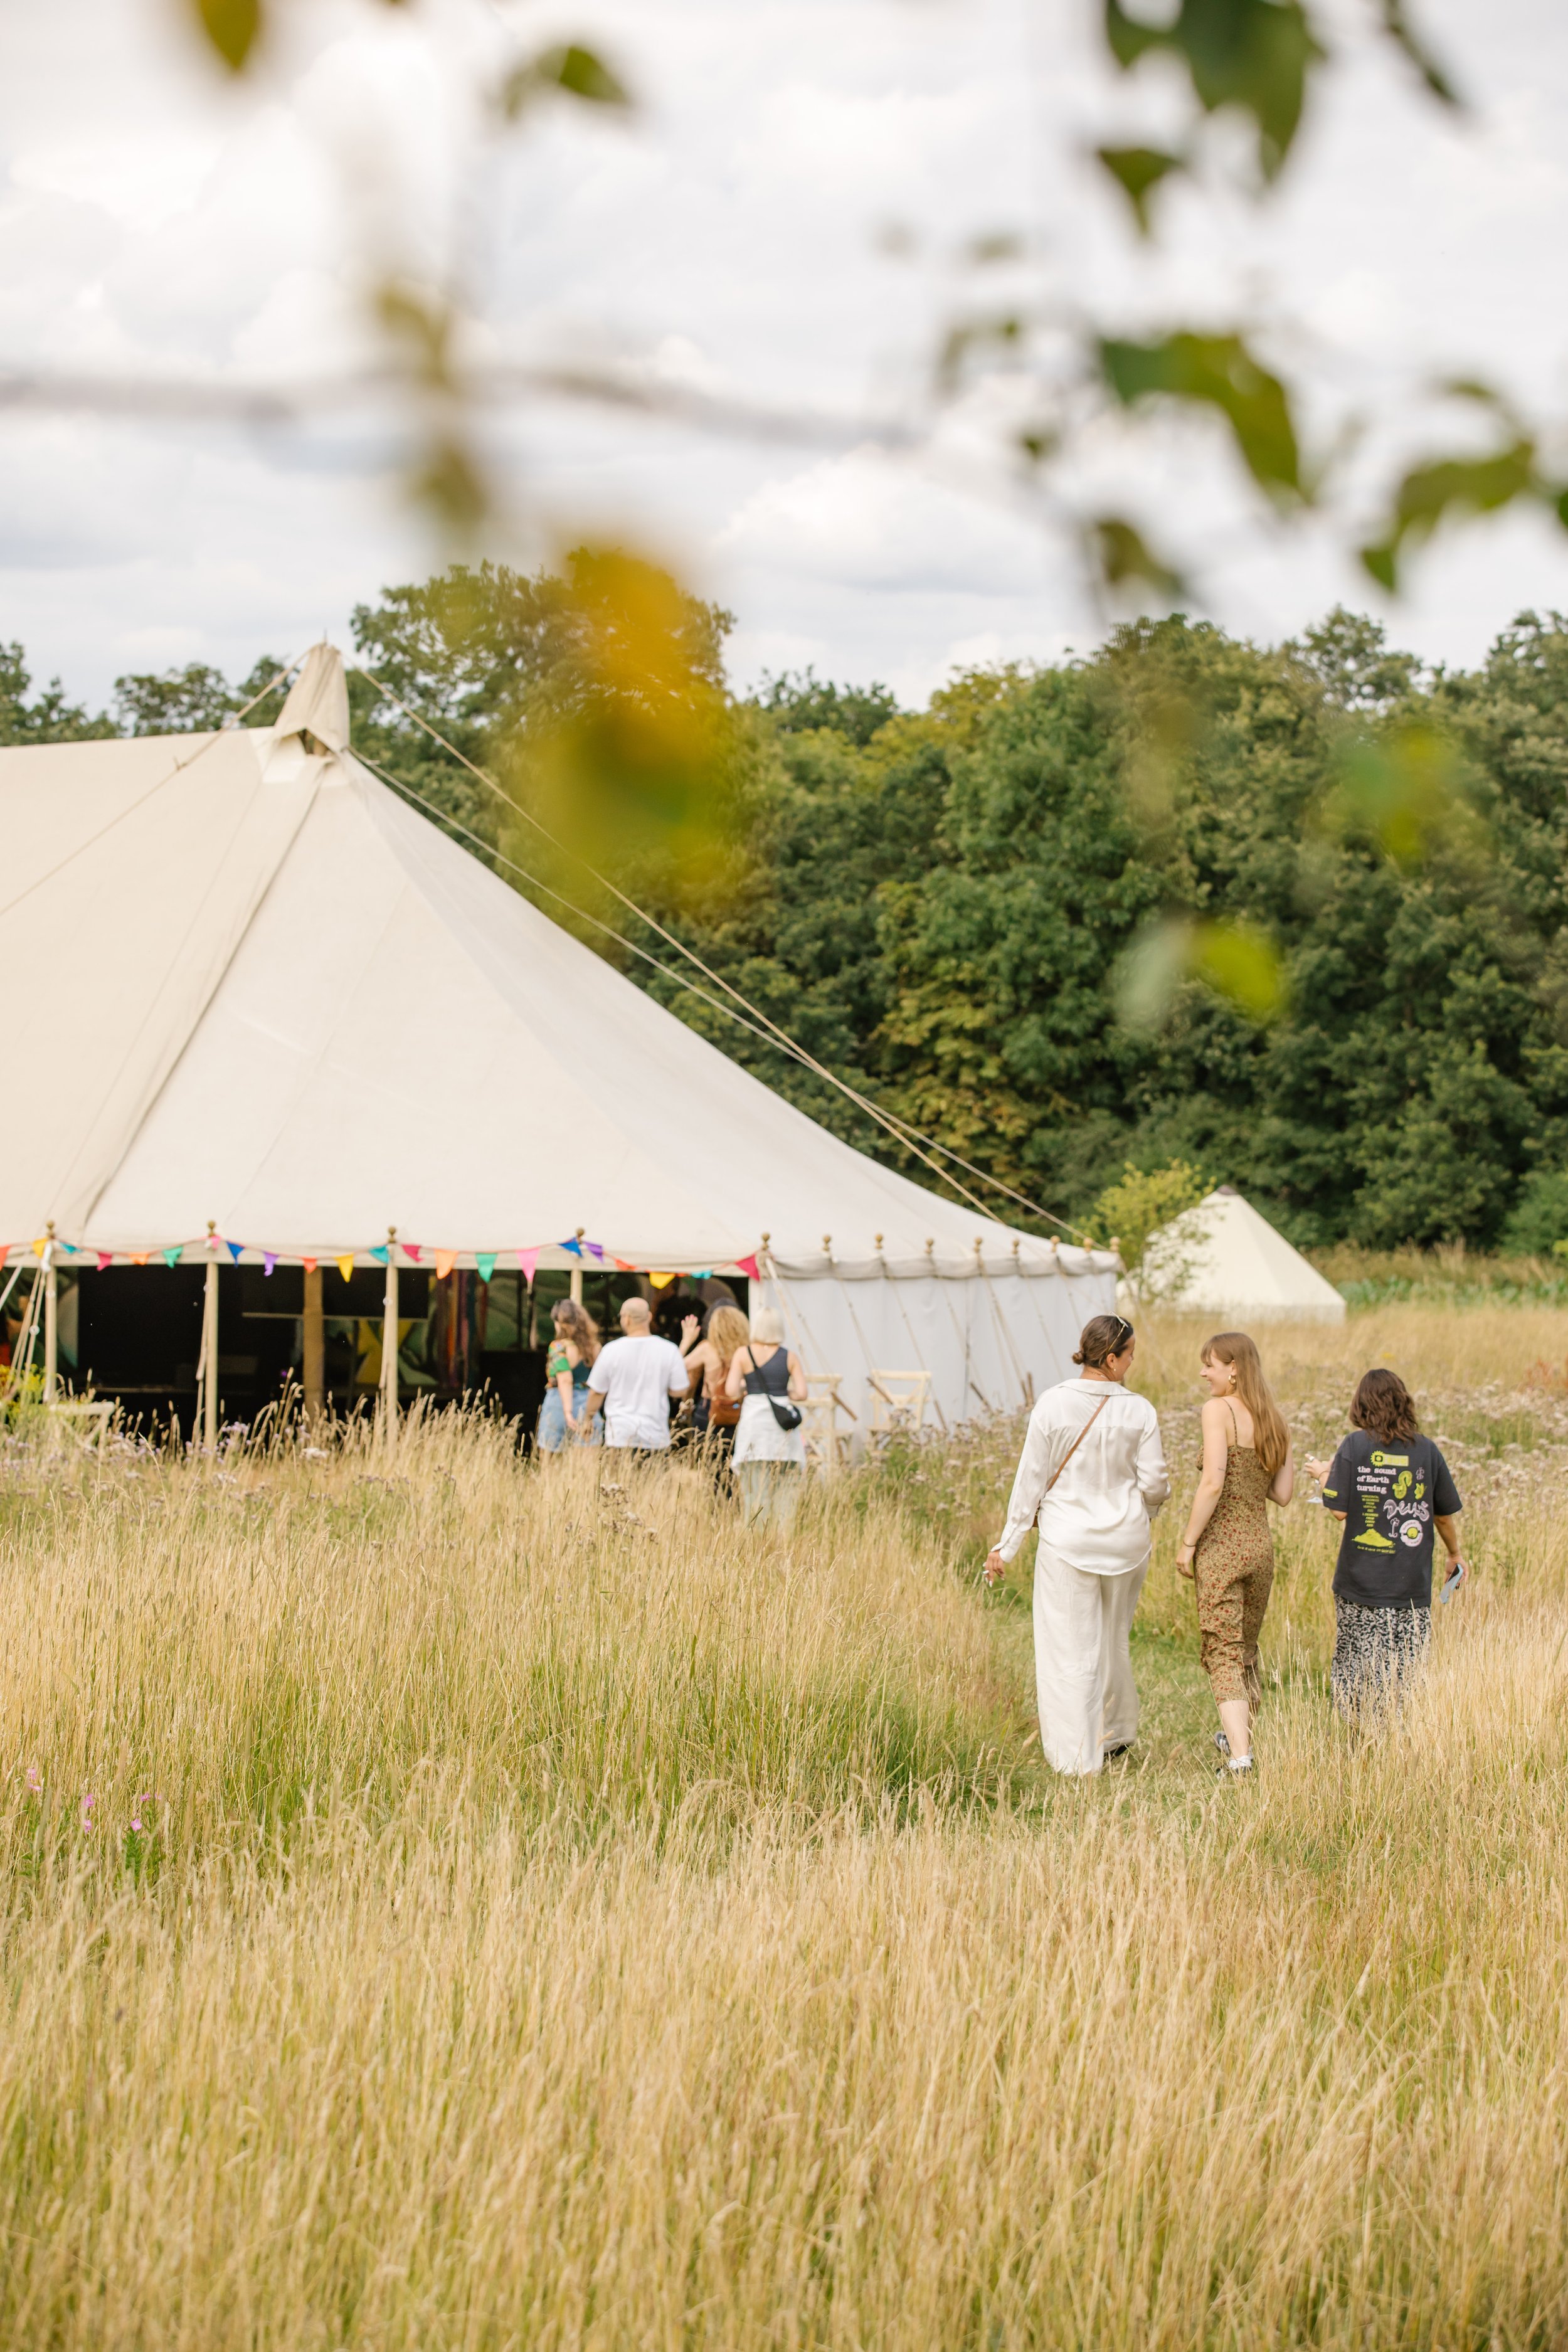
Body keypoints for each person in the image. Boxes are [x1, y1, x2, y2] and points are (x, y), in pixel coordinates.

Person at [983, 1313, 1170, 1776]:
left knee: (1069, 1649)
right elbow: (1157, 1483)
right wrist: (1140, 1516)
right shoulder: (1139, 1410)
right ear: (1110, 1358)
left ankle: (1077, 1758)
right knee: (1114, 1640)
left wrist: (1006, 1547)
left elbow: (1030, 1481)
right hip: (1127, 1544)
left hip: (1068, 1542)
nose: (1132, 1363)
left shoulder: (1052, 1404)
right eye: (1129, 1356)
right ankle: (1118, 1732)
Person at [1305, 1369, 1464, 1719]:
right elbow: (1442, 1517)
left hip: (1358, 1584)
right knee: (1405, 1670)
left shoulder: (1354, 1445)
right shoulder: (1427, 1451)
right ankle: (1396, 1738)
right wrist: (1454, 1554)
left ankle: (1357, 1737)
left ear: (1361, 1405)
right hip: (1411, 1586)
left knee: (1353, 1662)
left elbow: (1337, 1510)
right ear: (1402, 1402)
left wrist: (1321, 1475)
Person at [1174, 1332, 1294, 1778]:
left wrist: (1188, 1543)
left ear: (1235, 1368)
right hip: (1260, 1548)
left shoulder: (1218, 1410)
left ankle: (1241, 1758)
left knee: (1222, 1650)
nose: (1204, 1373)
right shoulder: (1274, 1419)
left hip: (1223, 1547)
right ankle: (1238, 1734)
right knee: (1245, 1649)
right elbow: (1283, 1494)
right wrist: (1285, 1444)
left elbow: (1212, 1483)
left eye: (1211, 1364)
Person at [724, 1305, 807, 1530]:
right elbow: (802, 1393)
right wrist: (784, 1392)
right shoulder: (790, 1357)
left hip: (755, 1425)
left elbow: (731, 1390)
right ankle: (783, 1536)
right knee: (785, 1489)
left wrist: (746, 1386)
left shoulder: (743, 1353)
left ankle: (757, 1538)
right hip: (782, 1428)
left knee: (754, 1489)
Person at [583, 1295, 690, 1454]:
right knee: (652, 1480)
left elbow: (597, 1392)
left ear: (626, 1319)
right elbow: (679, 1391)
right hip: (655, 1436)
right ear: (649, 1317)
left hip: (619, 1435)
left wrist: (588, 1419)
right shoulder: (669, 1350)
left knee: (618, 1480)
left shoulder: (611, 1351)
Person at [682, 1301, 750, 1478]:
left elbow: (675, 1367)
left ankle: (715, 1503)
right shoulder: (746, 1351)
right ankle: (733, 1503)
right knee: (735, 1469)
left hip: (708, 1412)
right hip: (739, 1412)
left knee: (711, 1470)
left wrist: (686, 1341)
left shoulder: (706, 1348)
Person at [535, 1298, 600, 1453]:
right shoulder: (595, 1347)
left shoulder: (558, 1347)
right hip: (588, 1403)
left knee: (550, 1459)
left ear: (559, 1322)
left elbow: (565, 1380)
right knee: (587, 1460)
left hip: (559, 1403)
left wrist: (568, 1413)